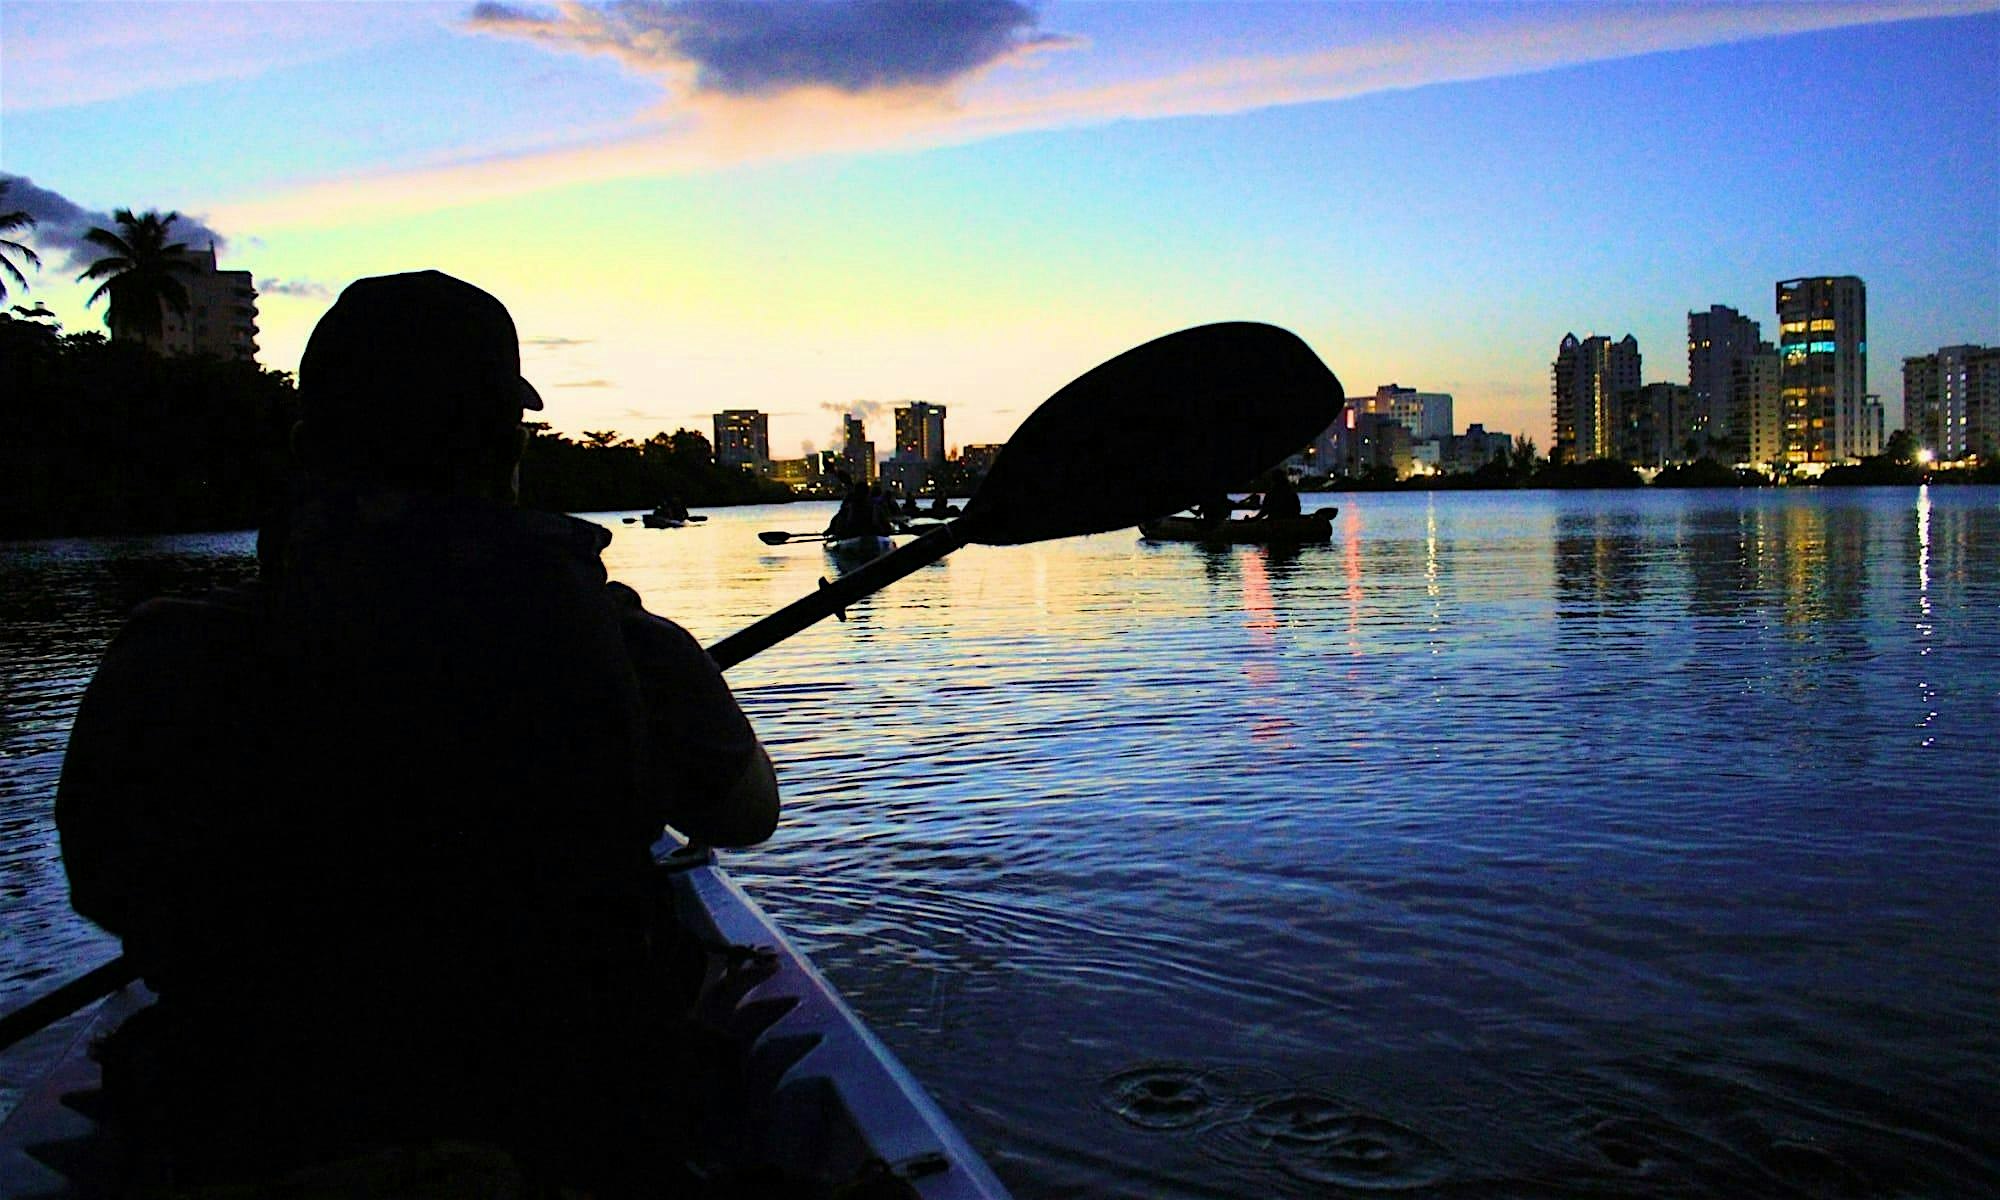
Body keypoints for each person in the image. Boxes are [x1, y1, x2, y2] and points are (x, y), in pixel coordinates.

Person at [56, 270, 779, 1191]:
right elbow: (750, 814)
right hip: (574, 1130)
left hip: (252, 1128)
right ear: (506, 452)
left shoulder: (163, 654)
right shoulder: (631, 647)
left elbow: (108, 891)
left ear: (307, 445)